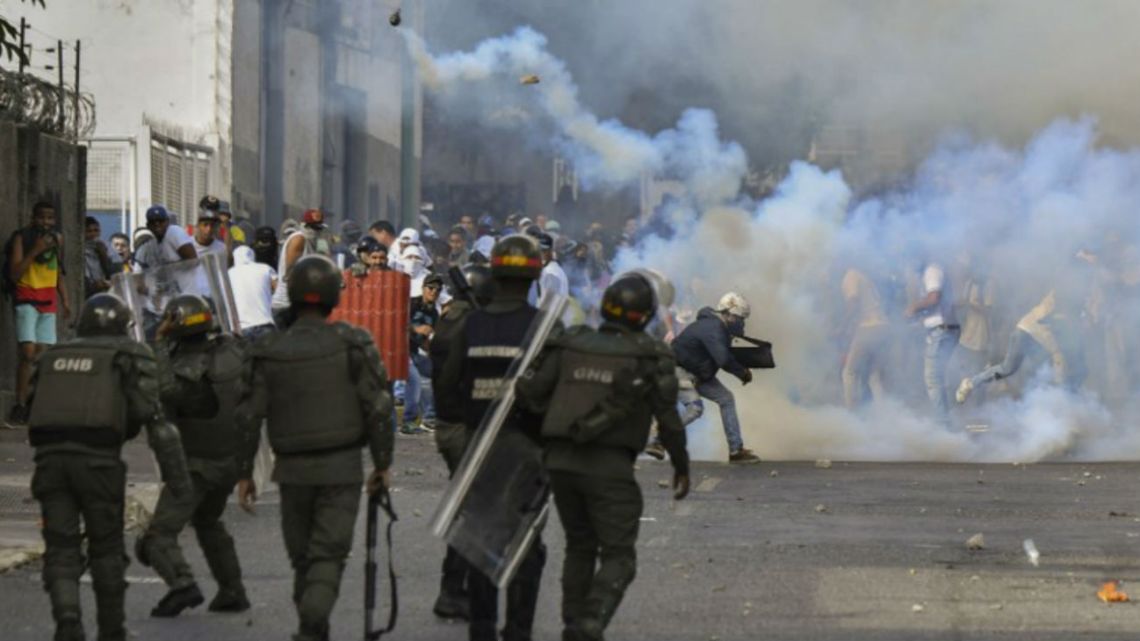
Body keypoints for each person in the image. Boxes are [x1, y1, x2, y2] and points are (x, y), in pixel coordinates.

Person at [516, 273, 690, 641]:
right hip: (609, 465)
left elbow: (529, 393)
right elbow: (670, 419)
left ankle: (572, 624)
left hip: (559, 462)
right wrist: (681, 466)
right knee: (619, 556)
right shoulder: (650, 354)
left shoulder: (571, 342)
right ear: (645, 316)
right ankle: (590, 622)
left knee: (579, 545)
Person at [236, 255, 393, 641]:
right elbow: (378, 408)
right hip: (341, 468)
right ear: (332, 296)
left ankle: (312, 623)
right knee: (327, 555)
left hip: (291, 472)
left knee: (303, 558)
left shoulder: (270, 350)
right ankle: (312, 624)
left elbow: (248, 418)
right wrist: (382, 463)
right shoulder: (353, 343)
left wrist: (244, 473)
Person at [26, 293, 192, 641]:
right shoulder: (129, 354)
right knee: (106, 549)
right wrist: (178, 481)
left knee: (61, 546)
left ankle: (68, 620)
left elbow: (30, 407)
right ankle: (111, 630)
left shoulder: (53, 355)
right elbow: (155, 420)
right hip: (99, 462)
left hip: (50, 461)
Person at [437, 234, 550, 641]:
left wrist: (472, 419)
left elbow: (446, 388)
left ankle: (481, 630)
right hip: (527, 451)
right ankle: (518, 631)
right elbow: (553, 395)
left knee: (480, 543)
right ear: (535, 272)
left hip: (479, 448)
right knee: (526, 549)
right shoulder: (542, 326)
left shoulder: (470, 324)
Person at [138, 295, 254, 617]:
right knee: (207, 521)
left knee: (158, 537)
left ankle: (182, 586)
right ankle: (232, 590)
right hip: (229, 461)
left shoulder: (185, 367)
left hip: (195, 464)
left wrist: (158, 342)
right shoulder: (233, 350)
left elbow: (167, 390)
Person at [427, 264, 494, 621]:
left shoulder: (451, 316)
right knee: (473, 511)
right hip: (463, 426)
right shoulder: (469, 324)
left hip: (450, 424)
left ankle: (457, 588)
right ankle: (452, 591)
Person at [671, 292, 760, 463]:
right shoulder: (714, 328)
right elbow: (723, 359)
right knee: (695, 409)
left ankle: (736, 451)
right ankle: (660, 434)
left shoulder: (716, 327)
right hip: (678, 371)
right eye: (741, 319)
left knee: (726, 398)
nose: (741, 323)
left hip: (697, 373)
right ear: (730, 316)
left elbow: (720, 355)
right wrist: (742, 373)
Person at [7, 201, 70, 427]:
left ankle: (35, 401)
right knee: (28, 352)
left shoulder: (57, 240)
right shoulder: (21, 237)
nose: (46, 222)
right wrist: (35, 250)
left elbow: (59, 272)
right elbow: (14, 274)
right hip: (26, 298)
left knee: (43, 355)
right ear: (33, 218)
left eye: (50, 218)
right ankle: (20, 404)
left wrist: (66, 299)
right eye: (42, 217)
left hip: (48, 301)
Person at [905, 260, 958, 427]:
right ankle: (944, 422)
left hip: (941, 330)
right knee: (937, 378)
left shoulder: (932, 270)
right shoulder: (931, 271)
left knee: (933, 379)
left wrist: (914, 307)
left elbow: (934, 298)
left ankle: (943, 426)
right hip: (943, 329)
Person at [271, 208, 333, 327]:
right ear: (304, 226)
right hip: (287, 305)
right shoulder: (299, 239)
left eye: (318, 228)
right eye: (312, 227)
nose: (315, 231)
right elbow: (290, 274)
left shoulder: (315, 242)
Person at [839, 267, 888, 408]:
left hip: (869, 327)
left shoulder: (850, 275)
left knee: (849, 372)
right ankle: (885, 413)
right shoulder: (864, 276)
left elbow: (853, 303)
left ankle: (851, 413)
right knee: (874, 375)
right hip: (882, 327)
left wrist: (842, 327)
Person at [403, 272, 442, 434]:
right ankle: (408, 422)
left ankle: (429, 418)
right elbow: (399, 324)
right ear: (423, 288)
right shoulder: (412, 304)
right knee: (416, 381)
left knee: (437, 373)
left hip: (415, 352)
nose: (433, 292)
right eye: (430, 288)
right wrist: (416, 328)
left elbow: (426, 340)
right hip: (402, 351)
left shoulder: (434, 313)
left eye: (437, 290)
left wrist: (431, 348)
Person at [228, 245, 277, 341]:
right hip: (265, 324)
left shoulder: (228, 273)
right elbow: (278, 289)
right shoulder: (265, 268)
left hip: (241, 329)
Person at [82, 216, 115, 299]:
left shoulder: (106, 247)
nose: (93, 234)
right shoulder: (82, 251)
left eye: (96, 231)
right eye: (89, 231)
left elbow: (110, 273)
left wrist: (103, 254)